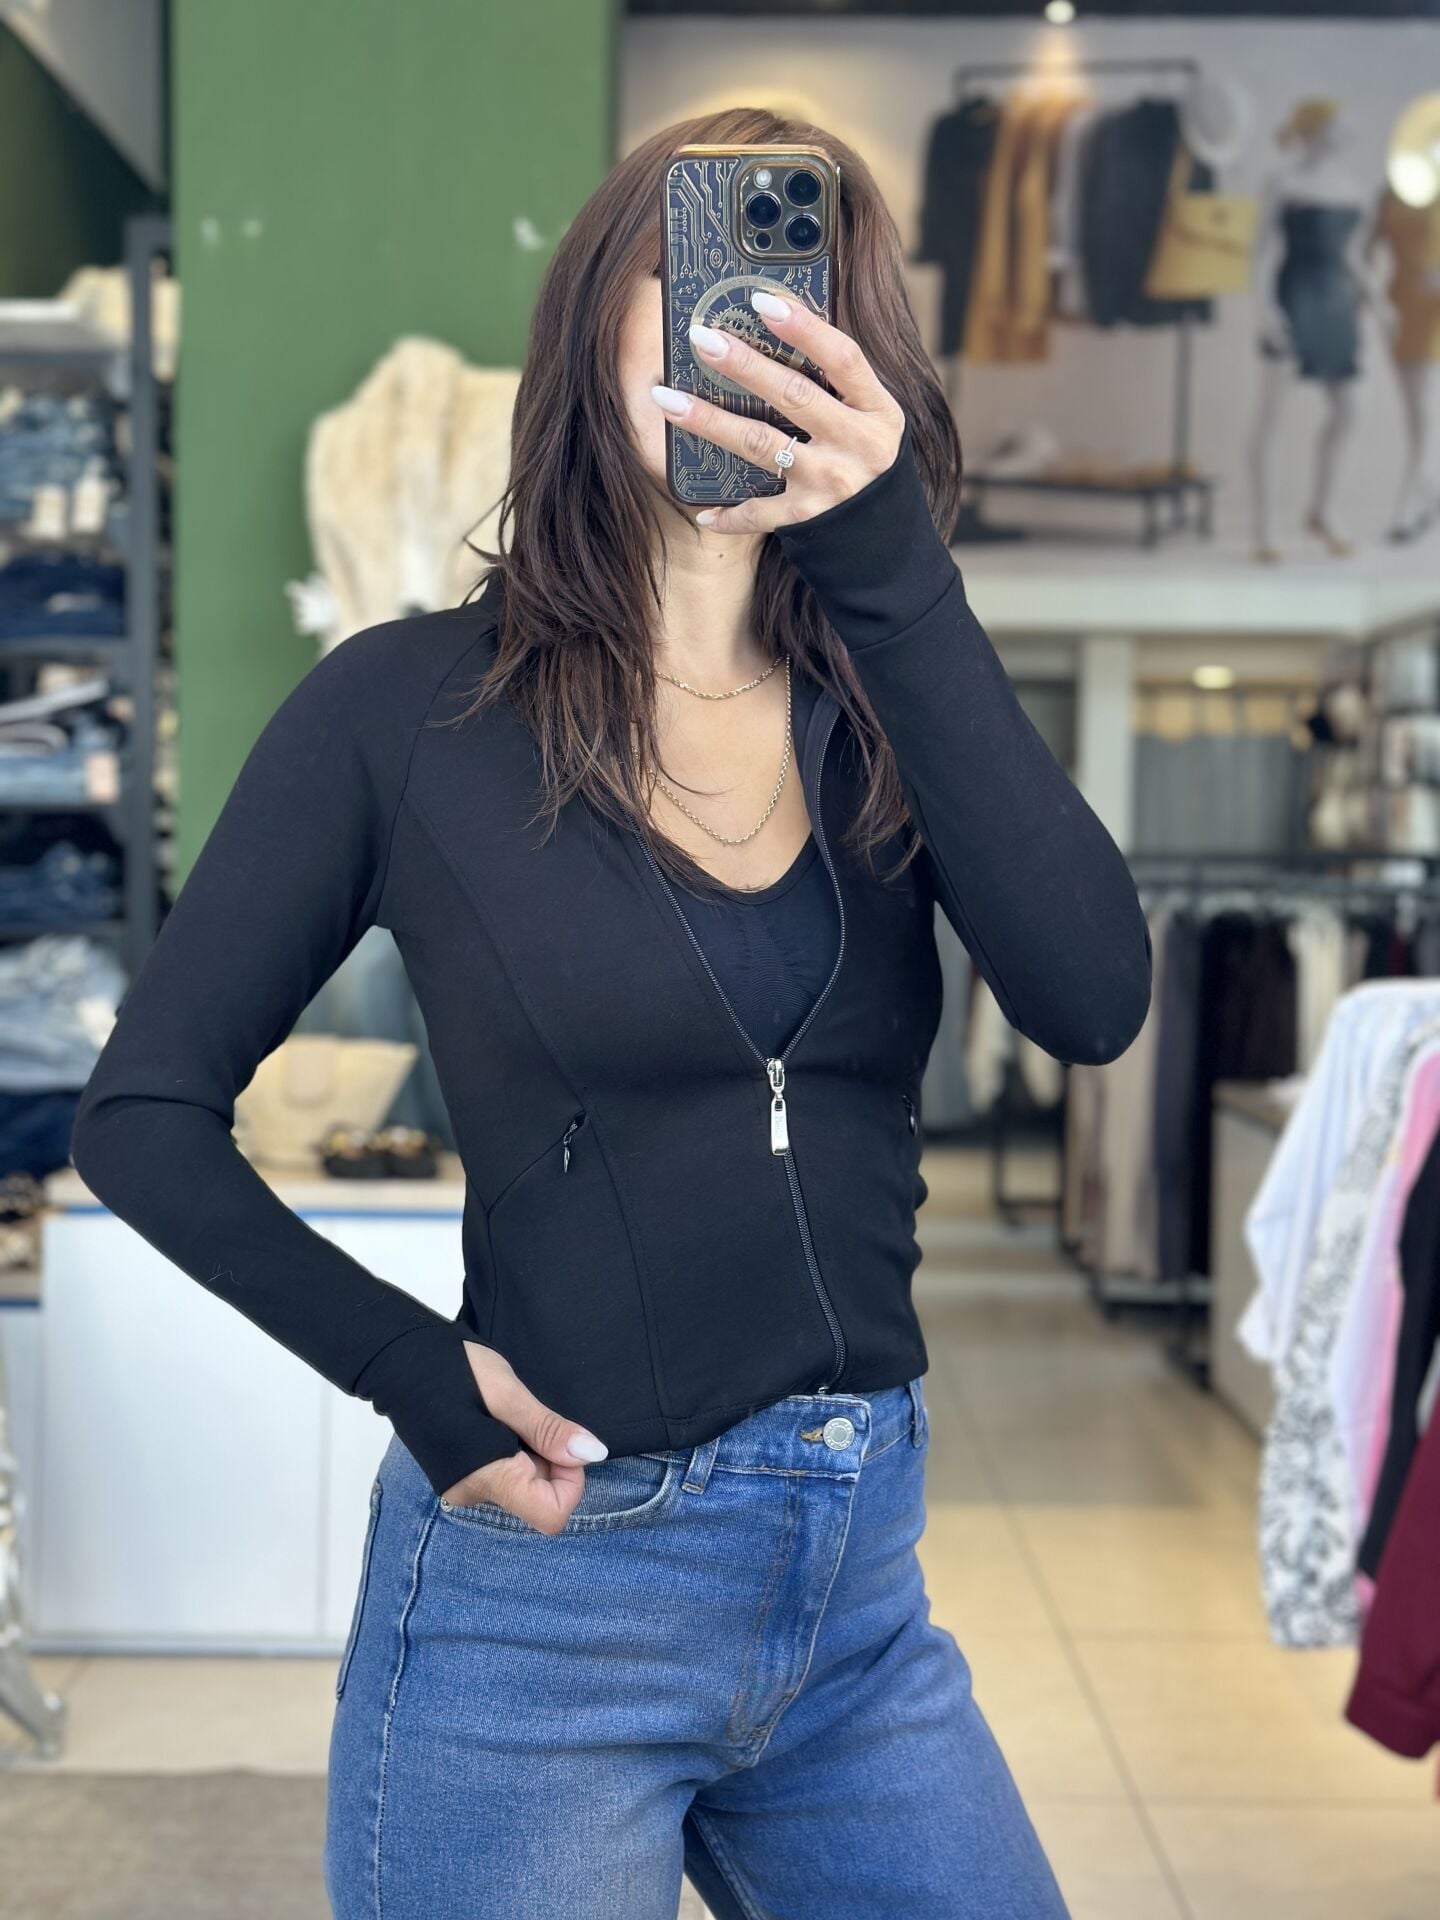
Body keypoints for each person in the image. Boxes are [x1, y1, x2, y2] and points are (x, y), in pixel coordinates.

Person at [68, 107, 1151, 1920]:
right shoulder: (405, 713)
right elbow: (141, 1116)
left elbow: (1095, 1000)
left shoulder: (890, 704)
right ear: (595, 326)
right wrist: (413, 1376)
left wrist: (892, 565)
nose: (761, 329)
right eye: (709, 277)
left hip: (856, 1593)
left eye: (812, 299)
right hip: (547, 1610)